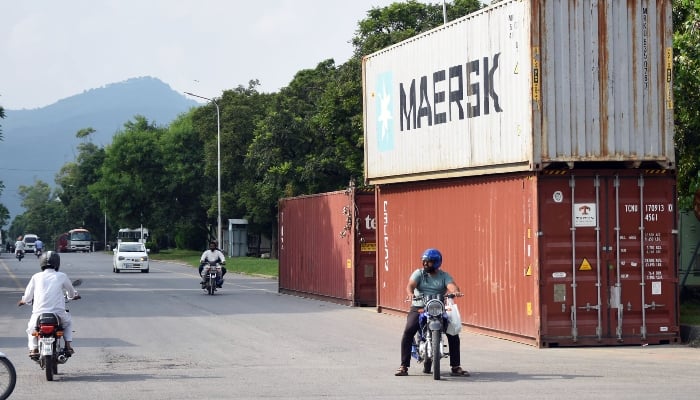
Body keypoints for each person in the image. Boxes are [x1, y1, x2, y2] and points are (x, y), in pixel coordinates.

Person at [394, 248, 469, 377]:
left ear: (436, 263)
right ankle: (403, 366)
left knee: (453, 333)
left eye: (428, 262)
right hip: (419, 307)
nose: (424, 264)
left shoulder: (444, 276)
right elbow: (410, 285)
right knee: (408, 331)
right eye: (424, 261)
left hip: (437, 307)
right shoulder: (419, 273)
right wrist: (410, 294)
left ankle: (456, 366)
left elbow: (451, 285)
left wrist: (455, 291)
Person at [18, 251, 80, 358]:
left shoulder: (36, 277)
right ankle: (68, 345)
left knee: (32, 328)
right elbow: (71, 291)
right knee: (68, 322)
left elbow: (28, 296)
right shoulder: (62, 276)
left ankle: (34, 349)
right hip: (58, 314)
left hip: (39, 314)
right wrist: (73, 296)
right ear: (57, 263)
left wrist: (23, 301)